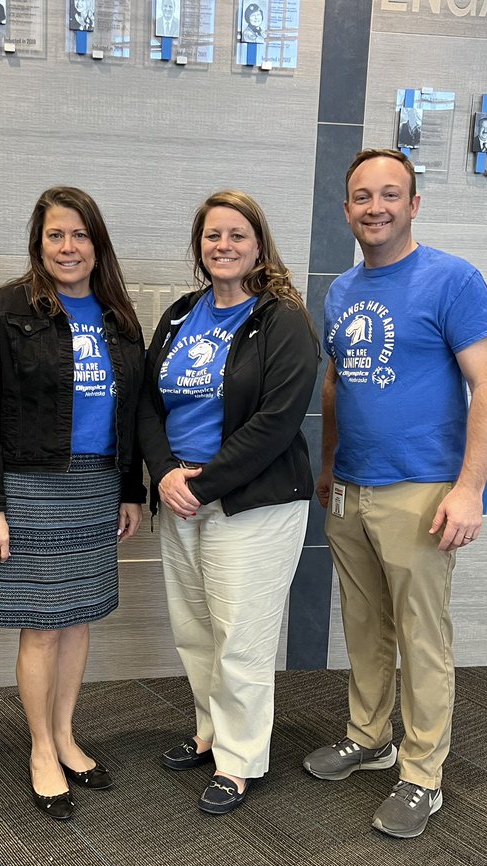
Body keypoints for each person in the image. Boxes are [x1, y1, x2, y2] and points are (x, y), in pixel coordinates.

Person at [303, 149, 487, 839]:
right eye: (362, 196)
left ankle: (422, 775)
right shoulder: (341, 290)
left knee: (422, 637)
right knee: (364, 625)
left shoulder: (454, 279)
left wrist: (470, 488)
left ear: (414, 204)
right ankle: (370, 738)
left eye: (391, 194)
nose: (376, 207)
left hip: (421, 489)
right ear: (347, 209)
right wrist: (329, 464)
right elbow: (336, 383)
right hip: (350, 488)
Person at [0, 186, 145, 822]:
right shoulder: (9, 308)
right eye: (55, 236)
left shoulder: (118, 314)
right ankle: (41, 748)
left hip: (96, 485)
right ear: (38, 244)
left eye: (80, 235)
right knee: (40, 623)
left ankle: (66, 734)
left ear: (98, 244)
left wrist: (129, 489)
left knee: (78, 619)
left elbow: (134, 412)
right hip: (31, 486)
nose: (68, 248)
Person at [140, 190, 319, 816]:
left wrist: (200, 483)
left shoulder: (282, 320)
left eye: (237, 235)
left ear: (258, 245)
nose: (224, 245)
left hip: (254, 502)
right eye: (213, 235)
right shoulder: (179, 315)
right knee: (195, 631)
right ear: (199, 247)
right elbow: (146, 404)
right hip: (181, 496)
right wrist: (164, 471)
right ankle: (210, 732)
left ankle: (240, 759)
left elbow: (276, 422)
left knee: (241, 637)